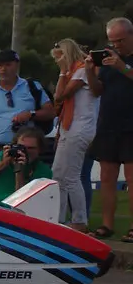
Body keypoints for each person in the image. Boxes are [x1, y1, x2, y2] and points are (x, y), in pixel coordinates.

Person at [84, 17, 133, 242]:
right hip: (108, 123)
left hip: (130, 124)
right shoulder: (107, 59)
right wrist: (89, 72)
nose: (117, 46)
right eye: (113, 41)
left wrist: (122, 66)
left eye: (121, 40)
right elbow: (97, 91)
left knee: (131, 178)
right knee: (106, 177)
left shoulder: (121, 61)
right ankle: (107, 224)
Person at [0, 49, 55, 160]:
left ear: (17, 65)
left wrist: (30, 114)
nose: (3, 69)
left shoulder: (31, 86)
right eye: (0, 65)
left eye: (8, 65)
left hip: (25, 150)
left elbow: (50, 112)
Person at [50, 38, 97, 231]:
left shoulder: (81, 71)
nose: (57, 61)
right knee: (58, 173)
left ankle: (79, 220)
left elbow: (60, 95)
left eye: (58, 57)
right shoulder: (73, 73)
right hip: (69, 127)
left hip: (80, 127)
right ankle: (59, 217)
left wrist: (62, 72)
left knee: (71, 175)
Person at [0, 127, 53, 206]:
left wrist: (19, 171)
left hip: (15, 210)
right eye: (21, 147)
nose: (25, 151)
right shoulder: (3, 156)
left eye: (31, 148)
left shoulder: (43, 171)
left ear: (40, 150)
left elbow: (24, 202)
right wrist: (3, 163)